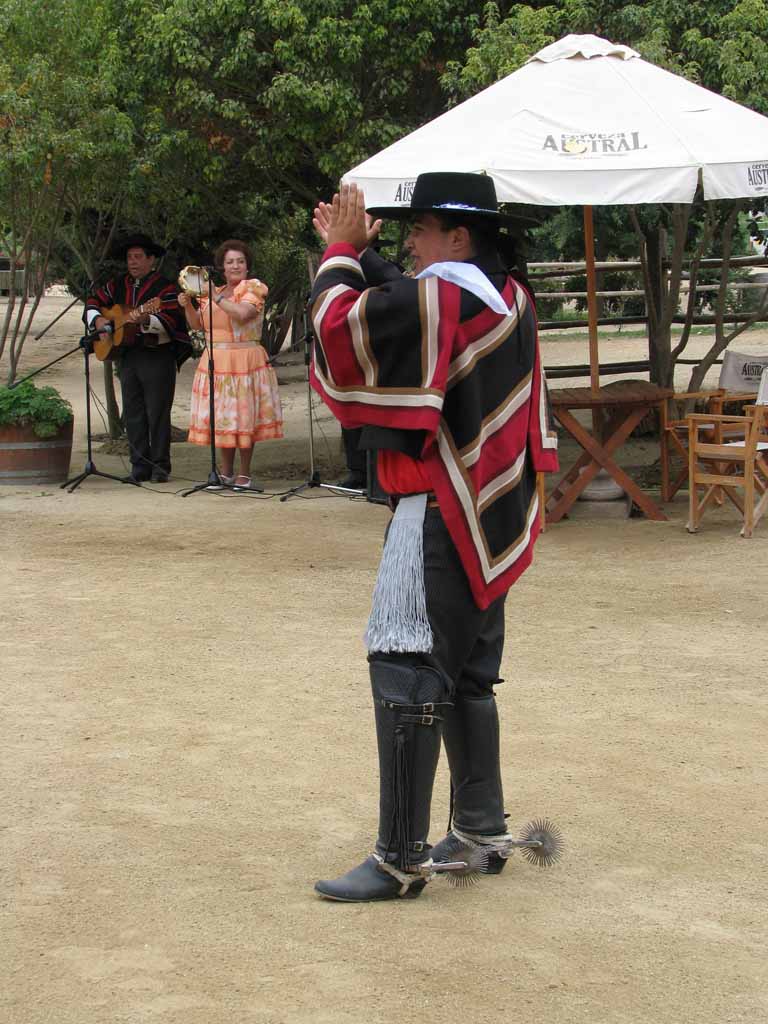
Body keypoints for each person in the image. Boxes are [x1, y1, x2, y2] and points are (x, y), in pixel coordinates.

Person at [308, 173, 559, 902]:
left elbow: (341, 329)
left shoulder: (440, 296)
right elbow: (409, 301)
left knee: (406, 668)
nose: (410, 240)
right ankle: (479, 831)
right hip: (491, 515)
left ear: (458, 238)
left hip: (438, 512)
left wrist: (338, 253)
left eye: (421, 228)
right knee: (467, 678)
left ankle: (396, 858)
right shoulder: (506, 297)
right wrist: (364, 256)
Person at [86, 235, 190, 483]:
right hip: (128, 356)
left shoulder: (165, 289)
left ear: (151, 260)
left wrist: (148, 320)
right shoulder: (116, 284)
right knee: (133, 412)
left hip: (156, 355)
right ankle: (139, 467)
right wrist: (98, 320)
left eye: (138, 257)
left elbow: (175, 320)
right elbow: (93, 301)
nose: (132, 262)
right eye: (129, 257)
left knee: (157, 412)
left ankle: (160, 467)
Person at [180, 239, 283, 488]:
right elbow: (198, 326)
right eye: (230, 262)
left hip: (245, 359)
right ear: (222, 267)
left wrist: (215, 297)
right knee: (223, 417)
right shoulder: (213, 292)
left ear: (247, 266)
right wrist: (188, 307)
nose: (235, 266)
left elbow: (243, 314)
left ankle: (244, 473)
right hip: (216, 360)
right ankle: (225, 472)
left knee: (244, 417)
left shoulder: (253, 288)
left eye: (240, 261)